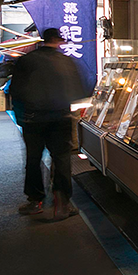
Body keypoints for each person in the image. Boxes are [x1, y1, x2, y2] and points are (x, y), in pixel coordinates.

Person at [9, 27, 86, 220]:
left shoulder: (27, 60)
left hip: (33, 119)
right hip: (60, 118)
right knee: (62, 159)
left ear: (43, 39)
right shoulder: (67, 61)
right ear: (59, 41)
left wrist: (22, 116)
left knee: (33, 159)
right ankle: (62, 204)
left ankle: (35, 201)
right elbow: (79, 92)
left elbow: (15, 91)